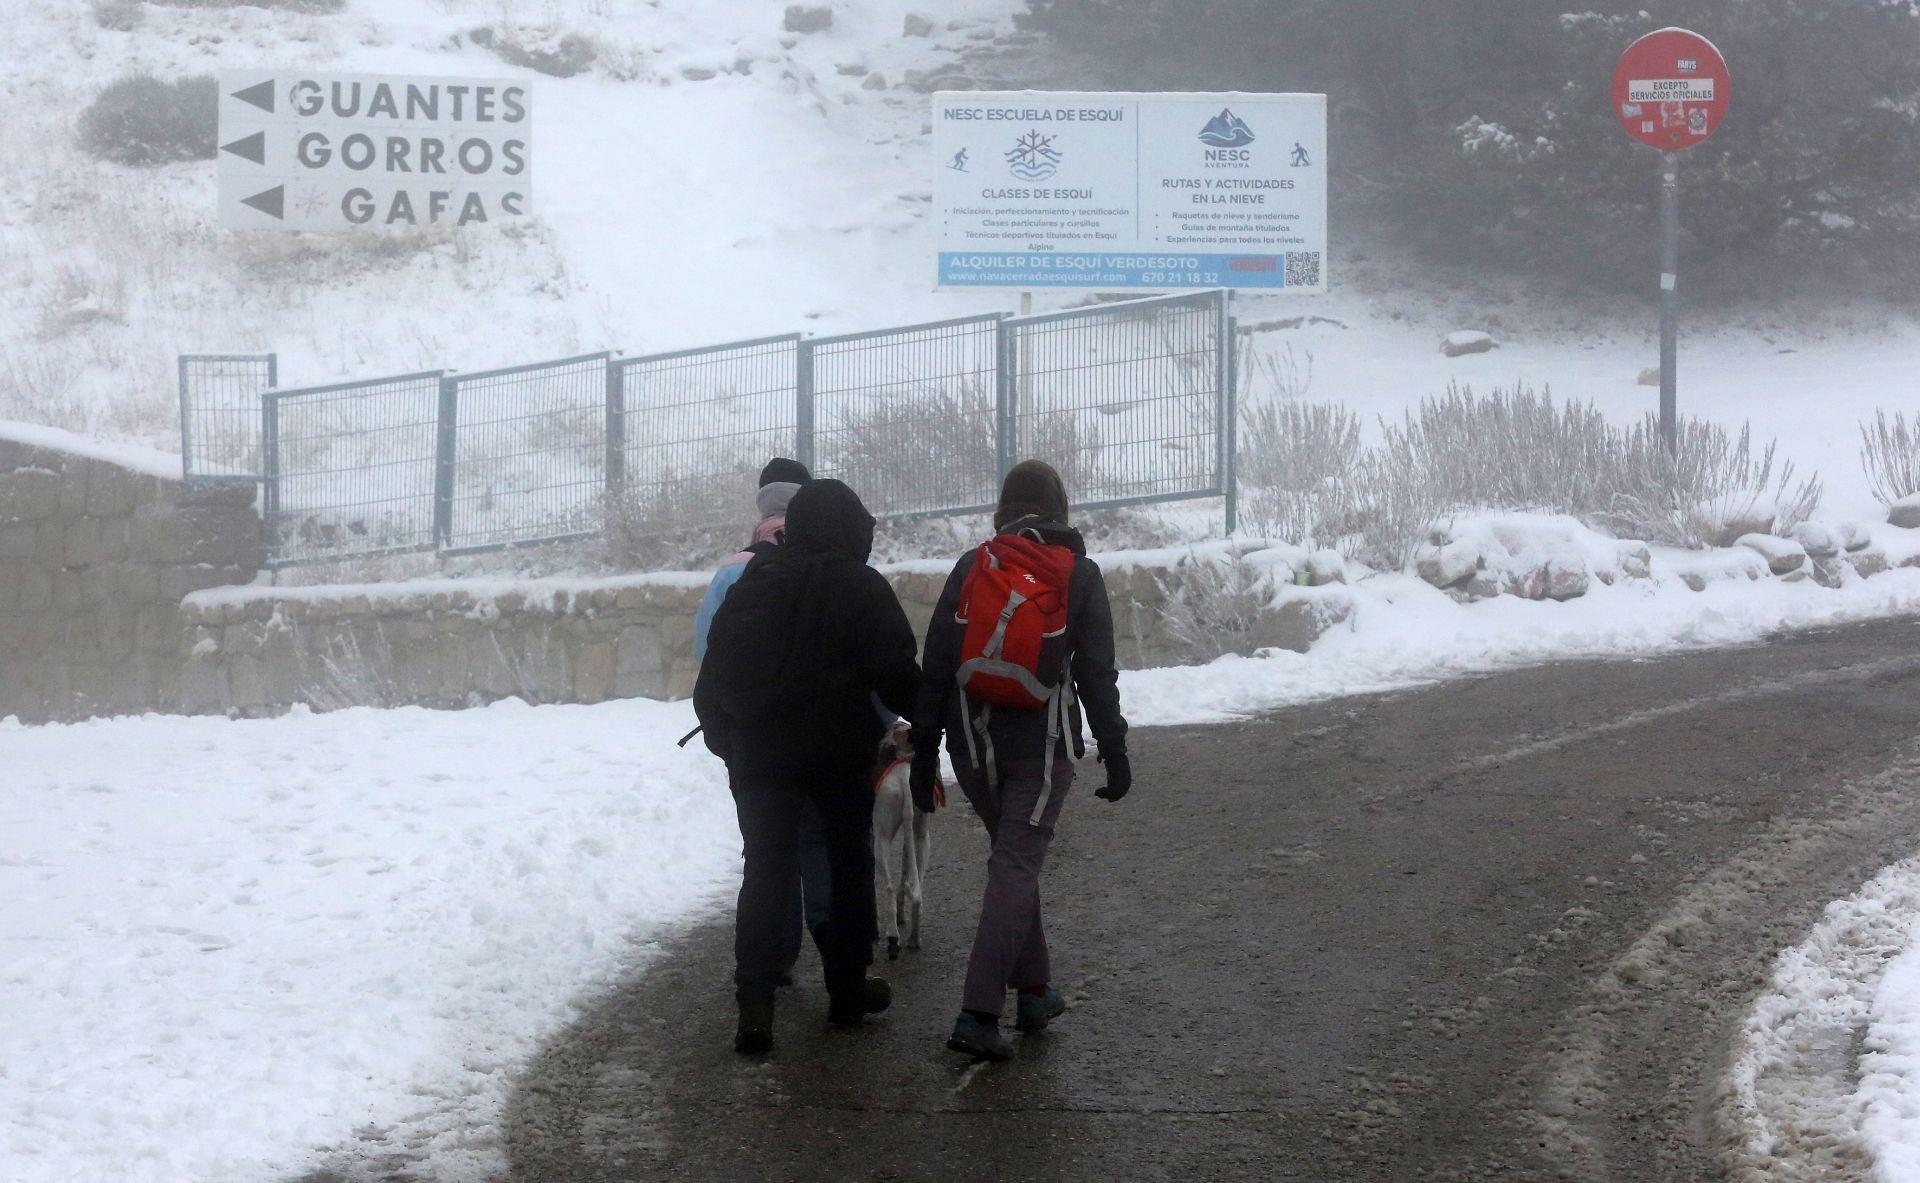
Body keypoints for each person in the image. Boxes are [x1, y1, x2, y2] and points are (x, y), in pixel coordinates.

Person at [911, 459, 1132, 1062]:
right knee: (1014, 866)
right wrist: (1114, 749)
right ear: (1061, 508)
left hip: (971, 746)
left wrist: (925, 752)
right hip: (1040, 750)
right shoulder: (1078, 573)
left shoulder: (973, 565)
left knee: (1014, 862)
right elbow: (1096, 673)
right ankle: (979, 1013)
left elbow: (936, 666)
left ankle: (1034, 992)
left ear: (1003, 509)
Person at [694, 479, 921, 1055]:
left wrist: (733, 748)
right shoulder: (861, 585)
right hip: (838, 756)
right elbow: (898, 674)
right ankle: (847, 991)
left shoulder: (754, 582)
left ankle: (755, 1003)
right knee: (846, 864)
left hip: (761, 759)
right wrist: (930, 720)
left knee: (765, 868)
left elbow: (711, 681)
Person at [693, 457, 832, 987]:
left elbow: (707, 657)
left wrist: (727, 737)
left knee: (767, 850)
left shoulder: (733, 570)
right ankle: (838, 955)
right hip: (817, 733)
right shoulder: (825, 563)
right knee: (818, 841)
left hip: (753, 738)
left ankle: (770, 960)